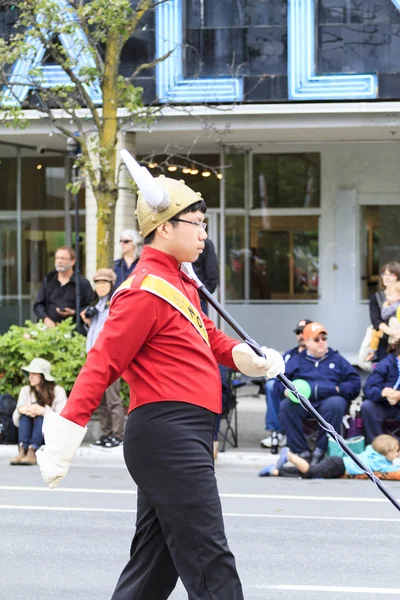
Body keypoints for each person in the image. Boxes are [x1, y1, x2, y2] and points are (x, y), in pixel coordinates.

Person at [37, 155, 285, 600]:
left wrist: (251, 358)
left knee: (153, 570)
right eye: (197, 223)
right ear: (165, 227)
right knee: (211, 561)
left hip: (181, 432)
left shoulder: (181, 283)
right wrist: (67, 431)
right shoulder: (142, 289)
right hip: (168, 433)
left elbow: (211, 340)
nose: (205, 234)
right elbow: (102, 361)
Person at [277, 322, 361, 465]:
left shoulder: (337, 360)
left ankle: (320, 450)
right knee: (286, 407)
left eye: (324, 338)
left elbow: (354, 382)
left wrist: (338, 389)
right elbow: (279, 382)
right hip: (303, 401)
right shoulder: (296, 361)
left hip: (328, 399)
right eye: (316, 339)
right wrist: (285, 390)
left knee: (336, 404)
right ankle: (301, 451)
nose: (321, 342)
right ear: (307, 341)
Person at [81, 268, 125, 449]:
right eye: (97, 283)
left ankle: (118, 435)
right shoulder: (96, 306)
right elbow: (95, 332)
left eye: (104, 283)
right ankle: (106, 433)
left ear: (111, 284)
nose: (100, 286)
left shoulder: (115, 305)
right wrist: (88, 323)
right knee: (101, 400)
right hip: (94, 357)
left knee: (113, 397)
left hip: (109, 358)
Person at [260, 318, 312, 449]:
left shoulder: (316, 353)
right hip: (287, 390)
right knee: (271, 386)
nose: (300, 335)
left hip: (308, 391)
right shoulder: (289, 355)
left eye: (303, 331)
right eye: (298, 332)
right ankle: (276, 432)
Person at [259, 434, 400, 479]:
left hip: (337, 463)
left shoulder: (371, 451)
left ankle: (275, 471)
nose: (397, 454)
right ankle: (289, 455)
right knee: (310, 472)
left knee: (309, 472)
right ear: (385, 453)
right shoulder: (378, 462)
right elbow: (389, 470)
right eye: (396, 451)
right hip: (338, 466)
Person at [10, 358, 67, 466]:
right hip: (28, 429)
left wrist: (43, 411)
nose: (30, 376)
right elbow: (15, 421)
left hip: (49, 437)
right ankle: (23, 449)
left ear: (43, 376)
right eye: (30, 373)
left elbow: (62, 420)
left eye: (35, 374)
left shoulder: (58, 391)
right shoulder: (25, 390)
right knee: (25, 416)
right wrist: (21, 410)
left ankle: (33, 450)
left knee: (40, 417)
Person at [33, 246, 95, 334]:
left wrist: (74, 312)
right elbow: (38, 305)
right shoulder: (49, 280)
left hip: (74, 329)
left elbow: (91, 307)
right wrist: (46, 319)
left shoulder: (82, 283)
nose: (59, 261)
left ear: (72, 261)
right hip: (48, 328)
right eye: (57, 258)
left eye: (63, 258)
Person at [362, 341, 400, 444]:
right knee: (368, 406)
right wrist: (382, 392)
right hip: (385, 405)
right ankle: (377, 448)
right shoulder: (386, 364)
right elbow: (368, 388)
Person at [368, 262, 400, 363]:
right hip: (385, 342)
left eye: (391, 274)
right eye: (384, 274)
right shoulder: (376, 297)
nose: (387, 277)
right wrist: (393, 333)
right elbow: (376, 321)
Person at [193, 237, 219, 314]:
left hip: (197, 301)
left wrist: (199, 295)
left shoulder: (205, 244)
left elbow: (212, 278)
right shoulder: (175, 242)